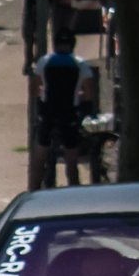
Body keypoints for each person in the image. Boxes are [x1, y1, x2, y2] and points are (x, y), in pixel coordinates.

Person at [31, 26, 92, 189]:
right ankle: (73, 193)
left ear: (55, 43)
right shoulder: (80, 62)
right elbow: (89, 93)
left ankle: (32, 191)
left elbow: (34, 88)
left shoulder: (45, 61)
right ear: (73, 44)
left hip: (48, 111)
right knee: (71, 158)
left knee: (41, 155)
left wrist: (41, 95)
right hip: (69, 113)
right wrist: (80, 96)